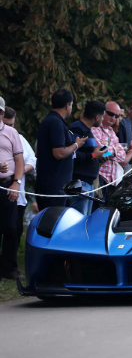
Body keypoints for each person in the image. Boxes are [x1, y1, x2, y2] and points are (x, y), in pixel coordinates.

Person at [36, 89, 86, 210]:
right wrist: (76, 145)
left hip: (48, 183)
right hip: (55, 186)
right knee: (53, 223)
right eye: (72, 105)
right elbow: (58, 153)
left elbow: (38, 151)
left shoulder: (48, 121)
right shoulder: (55, 123)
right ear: (67, 104)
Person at [2, 107, 36, 251]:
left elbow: (32, 161)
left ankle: (10, 268)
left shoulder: (18, 137)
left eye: (12, 125)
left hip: (15, 190)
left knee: (13, 230)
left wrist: (19, 172)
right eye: (6, 124)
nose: (10, 128)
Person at [92, 101, 132, 200]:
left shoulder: (111, 132)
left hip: (113, 181)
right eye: (111, 114)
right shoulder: (95, 128)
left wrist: (109, 151)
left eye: (117, 116)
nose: (113, 118)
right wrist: (114, 150)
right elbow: (101, 153)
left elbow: (122, 156)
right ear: (103, 112)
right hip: (100, 178)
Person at [0, 97, 25, 280]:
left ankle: (10, 268)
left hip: (7, 184)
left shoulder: (11, 132)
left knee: (10, 228)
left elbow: (19, 160)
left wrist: (16, 182)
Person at [67, 101, 106, 215]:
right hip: (79, 184)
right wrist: (94, 155)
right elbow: (72, 154)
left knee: (85, 222)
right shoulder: (77, 128)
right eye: (102, 116)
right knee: (78, 222)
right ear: (97, 116)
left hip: (89, 183)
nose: (102, 119)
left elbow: (88, 153)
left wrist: (98, 154)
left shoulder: (88, 130)